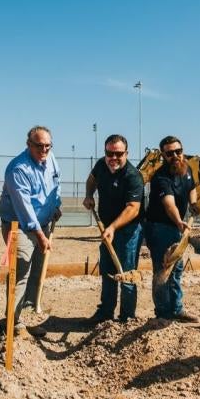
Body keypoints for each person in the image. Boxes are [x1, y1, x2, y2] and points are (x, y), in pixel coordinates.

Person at [0, 126, 61, 339]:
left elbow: (56, 182)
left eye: (47, 145)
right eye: (39, 146)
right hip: (19, 226)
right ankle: (13, 323)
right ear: (28, 144)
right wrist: (41, 237)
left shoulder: (51, 158)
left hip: (43, 223)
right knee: (21, 270)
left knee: (37, 272)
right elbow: (24, 210)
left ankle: (28, 317)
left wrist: (56, 205)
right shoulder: (18, 169)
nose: (44, 150)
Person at [83, 134, 144, 323]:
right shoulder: (102, 165)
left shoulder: (133, 176)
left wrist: (113, 227)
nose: (114, 158)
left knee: (125, 273)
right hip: (107, 228)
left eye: (118, 153)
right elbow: (91, 179)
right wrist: (89, 195)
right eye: (110, 153)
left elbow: (133, 209)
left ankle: (127, 316)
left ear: (126, 153)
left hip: (128, 230)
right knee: (108, 269)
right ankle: (105, 313)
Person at [144, 135, 199, 322]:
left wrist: (193, 203)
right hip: (159, 227)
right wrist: (179, 220)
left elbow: (192, 186)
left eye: (178, 151)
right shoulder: (160, 177)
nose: (175, 155)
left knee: (176, 268)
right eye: (170, 153)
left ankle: (176, 309)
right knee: (162, 269)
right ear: (163, 155)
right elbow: (169, 204)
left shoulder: (186, 168)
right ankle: (162, 312)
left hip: (175, 228)